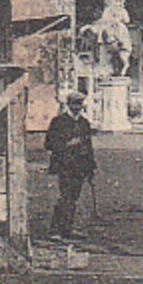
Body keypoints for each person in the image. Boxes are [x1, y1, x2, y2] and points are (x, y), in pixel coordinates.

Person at [44, 91, 95, 242]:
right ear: (68, 104)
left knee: (73, 198)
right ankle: (55, 230)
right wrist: (67, 144)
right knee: (66, 197)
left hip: (79, 166)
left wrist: (91, 168)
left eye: (79, 104)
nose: (77, 107)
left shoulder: (84, 123)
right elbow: (49, 144)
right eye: (74, 104)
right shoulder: (58, 122)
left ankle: (67, 229)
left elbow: (88, 147)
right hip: (64, 166)